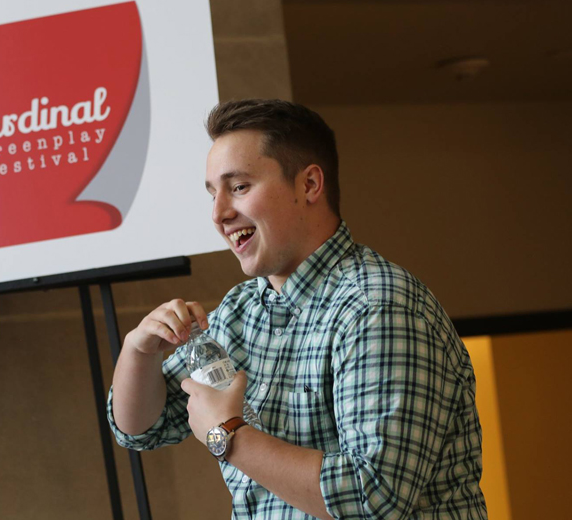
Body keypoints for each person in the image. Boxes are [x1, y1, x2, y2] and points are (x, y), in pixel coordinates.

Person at [107, 99, 488, 519]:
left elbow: (372, 498)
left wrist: (230, 435)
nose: (219, 214)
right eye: (213, 193)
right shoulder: (241, 309)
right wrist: (138, 352)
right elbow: (142, 429)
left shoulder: (377, 306)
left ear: (308, 185)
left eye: (239, 187)